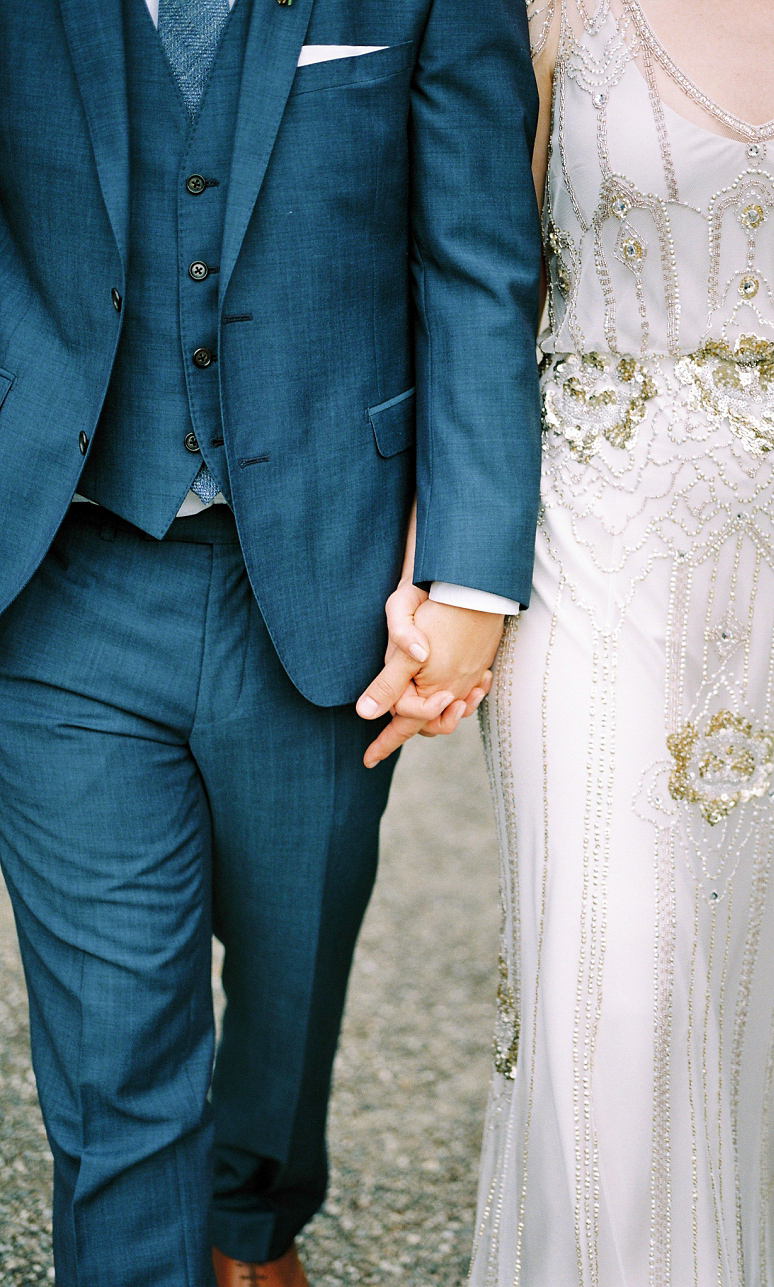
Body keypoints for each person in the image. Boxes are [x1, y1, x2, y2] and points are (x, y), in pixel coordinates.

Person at [0, 1, 542, 1283]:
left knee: (294, 968)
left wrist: (472, 571)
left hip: (324, 577)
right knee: (116, 1049)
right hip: (63, 572)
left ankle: (256, 1212)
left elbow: (477, 261)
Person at [469, 1, 774, 1283]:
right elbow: (478, 290)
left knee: (758, 992)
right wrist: (445, 561)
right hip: (589, 545)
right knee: (610, 984)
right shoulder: (553, 12)